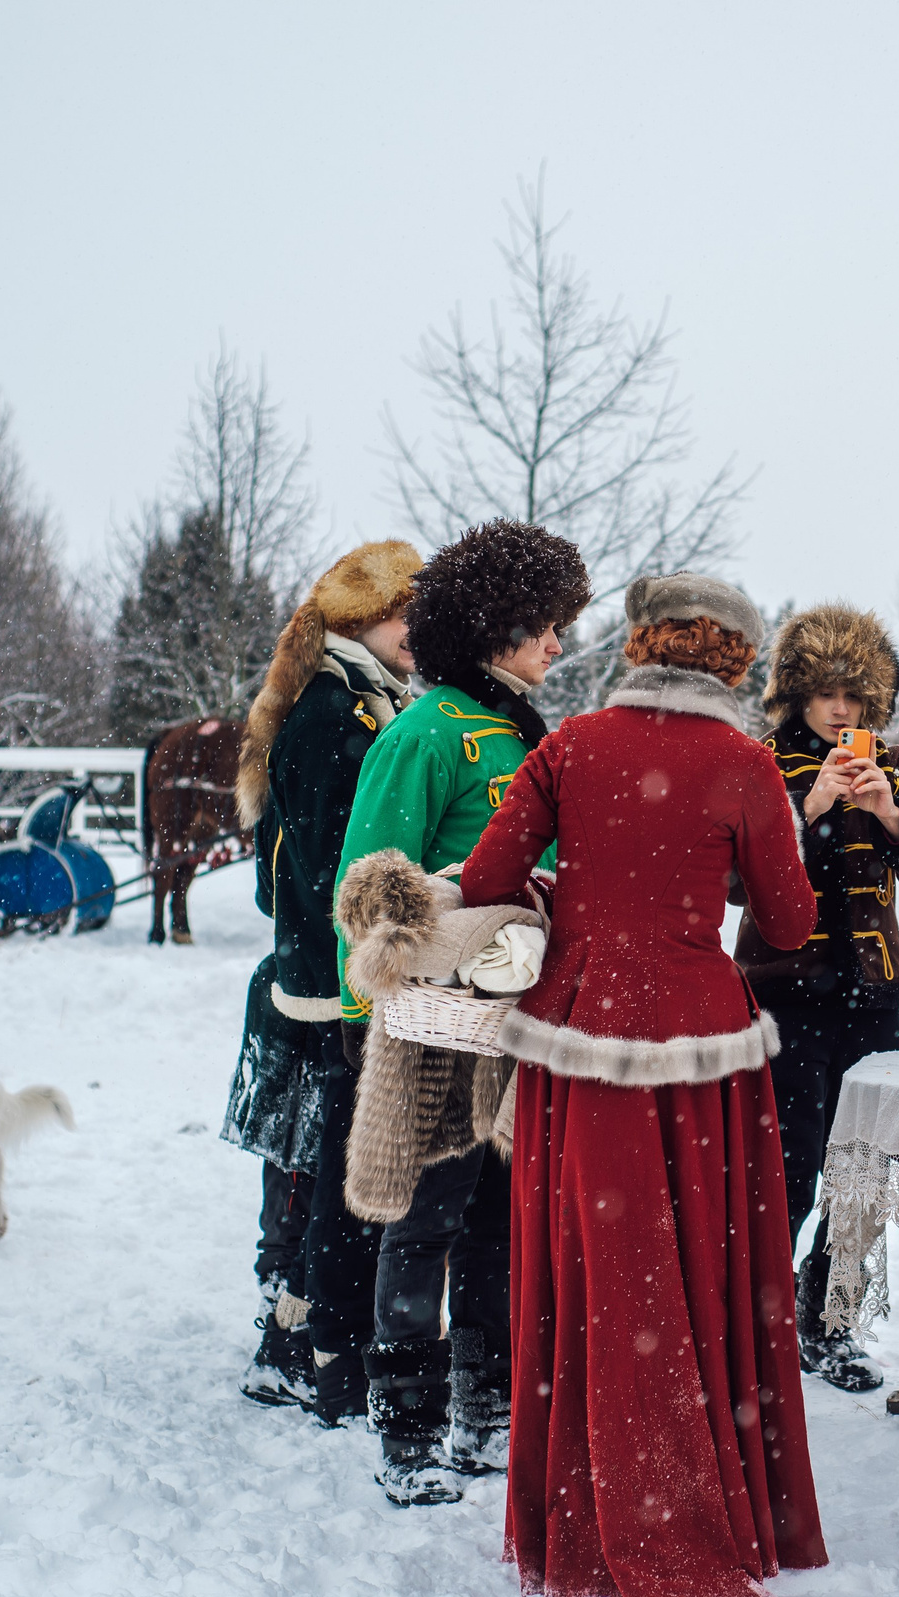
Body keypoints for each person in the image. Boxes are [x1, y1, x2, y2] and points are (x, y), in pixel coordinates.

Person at [463, 571, 826, 1597]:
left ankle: (580, 1513)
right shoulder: (746, 762)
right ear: (732, 661)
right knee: (693, 1269)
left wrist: (565, 898)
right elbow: (792, 923)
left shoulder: (571, 743)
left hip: (579, 1030)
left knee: (595, 1265)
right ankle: (693, 1498)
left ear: (638, 644)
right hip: (698, 1038)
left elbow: (488, 872)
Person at [333, 520, 588, 1505]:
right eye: (544, 626)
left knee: (498, 1215)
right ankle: (406, 1424)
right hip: (435, 1021)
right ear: (493, 626)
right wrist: (381, 1002)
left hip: (516, 1019)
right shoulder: (423, 730)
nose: (558, 644)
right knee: (427, 1215)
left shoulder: (531, 728)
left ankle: (487, 1412)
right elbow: (369, 884)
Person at [220, 540, 423, 1416]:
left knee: (312, 1161)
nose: (417, 630)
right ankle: (291, 1338)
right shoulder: (334, 715)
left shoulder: (363, 702)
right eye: (402, 615)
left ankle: (297, 1323)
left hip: (325, 966)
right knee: (320, 1165)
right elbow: (329, 865)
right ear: (357, 621)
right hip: (325, 975)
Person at [735, 604, 899, 1394]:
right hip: (783, 998)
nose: (840, 711)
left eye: (855, 696)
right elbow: (733, 884)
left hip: (872, 995)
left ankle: (830, 1320)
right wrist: (811, 808)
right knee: (785, 1170)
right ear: (796, 692)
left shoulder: (896, 765)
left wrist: (890, 812)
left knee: (860, 1176)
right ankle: (757, 1326)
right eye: (825, 692)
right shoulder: (758, 763)